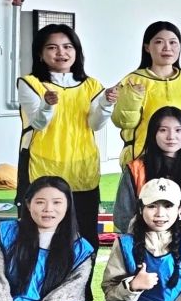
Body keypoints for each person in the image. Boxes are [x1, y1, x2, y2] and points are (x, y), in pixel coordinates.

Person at [16, 24, 110, 243]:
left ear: (77, 51)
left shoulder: (92, 85)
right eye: (52, 47)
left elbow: (95, 124)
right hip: (42, 167)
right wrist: (47, 105)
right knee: (41, 235)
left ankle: (83, 268)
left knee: (85, 235)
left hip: (82, 168)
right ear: (40, 54)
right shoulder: (30, 83)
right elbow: (38, 124)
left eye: (68, 47)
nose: (61, 53)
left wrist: (106, 104)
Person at [112, 21, 181, 160]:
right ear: (147, 47)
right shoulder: (132, 80)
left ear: (180, 46)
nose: (167, 48)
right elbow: (122, 121)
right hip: (144, 158)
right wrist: (131, 97)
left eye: (173, 42)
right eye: (159, 42)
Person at [112, 107, 181, 235]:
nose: (171, 136)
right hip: (145, 240)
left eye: (178, 130)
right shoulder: (136, 168)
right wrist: (148, 238)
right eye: (163, 130)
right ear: (153, 133)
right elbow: (122, 216)